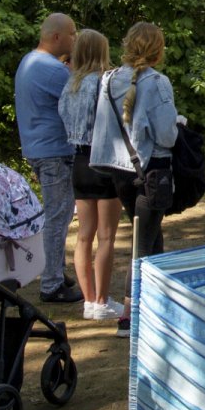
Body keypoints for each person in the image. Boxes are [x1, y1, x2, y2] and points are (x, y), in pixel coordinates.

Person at [89, 22, 179, 334]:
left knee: (151, 234)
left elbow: (103, 127)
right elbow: (166, 135)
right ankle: (130, 312)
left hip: (119, 169)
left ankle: (158, 302)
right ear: (158, 49)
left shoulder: (108, 79)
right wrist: (179, 123)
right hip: (151, 168)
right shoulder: (157, 82)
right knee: (144, 241)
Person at [14, 13, 81, 304]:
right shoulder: (53, 70)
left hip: (38, 148)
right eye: (72, 34)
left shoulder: (29, 61)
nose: (75, 39)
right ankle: (51, 284)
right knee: (58, 216)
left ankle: (55, 269)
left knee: (58, 214)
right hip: (55, 151)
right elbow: (79, 99)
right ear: (57, 37)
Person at [58, 29, 123, 321]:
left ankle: (88, 301)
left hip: (79, 162)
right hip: (105, 162)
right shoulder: (103, 83)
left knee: (84, 236)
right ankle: (101, 300)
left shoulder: (69, 84)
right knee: (107, 236)